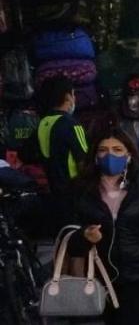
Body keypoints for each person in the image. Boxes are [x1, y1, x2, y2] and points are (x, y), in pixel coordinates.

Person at [70, 129, 139, 325]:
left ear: (129, 155)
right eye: (103, 150)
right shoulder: (81, 189)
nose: (109, 155)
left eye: (117, 149)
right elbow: (67, 230)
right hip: (100, 273)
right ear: (95, 156)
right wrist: (83, 235)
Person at [32, 77, 89, 226]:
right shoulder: (72, 124)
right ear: (68, 96)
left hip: (55, 191)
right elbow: (83, 161)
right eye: (73, 94)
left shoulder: (43, 123)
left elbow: (30, 154)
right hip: (75, 193)